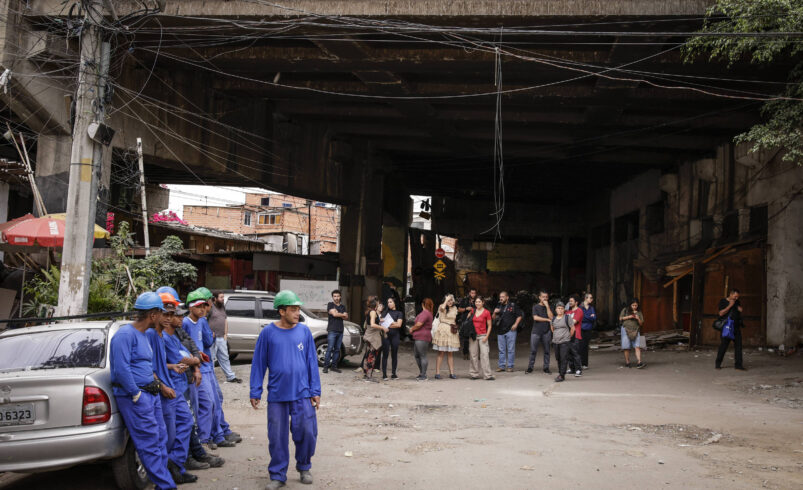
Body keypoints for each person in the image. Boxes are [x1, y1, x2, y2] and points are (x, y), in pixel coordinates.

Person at [250, 290, 321, 490]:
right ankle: (278, 475)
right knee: (277, 437)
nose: (298, 313)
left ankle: (304, 466)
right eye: (293, 309)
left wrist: (315, 390)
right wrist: (255, 391)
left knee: (307, 431)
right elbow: (258, 363)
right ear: (282, 311)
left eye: (298, 309)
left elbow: (312, 362)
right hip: (277, 394)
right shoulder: (268, 333)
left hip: (302, 392)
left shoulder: (304, 332)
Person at [110, 292, 176, 490]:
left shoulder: (144, 335)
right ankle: (167, 486)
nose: (163, 317)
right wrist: (136, 394)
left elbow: (146, 366)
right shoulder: (125, 335)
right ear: (153, 315)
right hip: (136, 397)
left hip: (150, 394)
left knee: (161, 438)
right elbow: (121, 369)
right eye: (161, 313)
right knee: (149, 443)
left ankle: (162, 483)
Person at [149, 294, 198, 484]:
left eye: (172, 314)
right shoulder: (152, 335)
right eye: (166, 314)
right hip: (165, 390)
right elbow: (148, 367)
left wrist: (173, 367)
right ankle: (167, 471)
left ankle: (175, 464)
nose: (170, 318)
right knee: (167, 435)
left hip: (172, 387)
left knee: (185, 423)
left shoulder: (164, 335)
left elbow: (163, 363)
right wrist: (162, 386)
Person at [183, 290, 235, 450]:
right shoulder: (186, 323)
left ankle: (216, 434)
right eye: (199, 306)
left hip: (205, 366)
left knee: (215, 401)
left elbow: (206, 341)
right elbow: (188, 346)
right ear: (191, 307)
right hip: (196, 369)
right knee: (206, 403)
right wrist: (195, 363)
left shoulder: (202, 321)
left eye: (204, 305)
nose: (203, 309)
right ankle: (205, 438)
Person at [208, 291, 241, 383]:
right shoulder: (210, 308)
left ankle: (230, 377)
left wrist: (225, 334)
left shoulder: (222, 307)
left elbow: (225, 319)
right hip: (212, 339)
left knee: (225, 358)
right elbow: (204, 321)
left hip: (221, 337)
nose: (223, 299)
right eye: (221, 297)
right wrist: (209, 333)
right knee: (211, 359)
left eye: (223, 297)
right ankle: (210, 378)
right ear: (215, 298)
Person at [715, 288, 746, 371]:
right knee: (723, 346)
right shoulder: (723, 301)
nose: (736, 298)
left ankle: (738, 365)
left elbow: (738, 310)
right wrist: (730, 305)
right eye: (735, 296)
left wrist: (740, 309)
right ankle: (718, 364)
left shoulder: (737, 302)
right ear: (731, 294)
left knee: (738, 346)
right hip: (727, 327)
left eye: (737, 297)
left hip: (736, 327)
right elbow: (721, 313)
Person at [492, 291, 523, 372]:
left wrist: (515, 324)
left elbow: (519, 316)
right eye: (500, 297)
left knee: (510, 350)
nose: (501, 298)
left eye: (503, 297)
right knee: (501, 350)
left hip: (510, 330)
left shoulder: (512, 305)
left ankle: (510, 366)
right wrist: (494, 312)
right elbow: (493, 318)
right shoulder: (498, 305)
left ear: (507, 297)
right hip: (500, 331)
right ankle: (501, 366)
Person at [432, 294, 460, 379]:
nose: (450, 302)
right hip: (443, 330)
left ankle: (452, 373)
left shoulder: (455, 308)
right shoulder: (442, 306)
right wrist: (446, 300)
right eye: (448, 300)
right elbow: (442, 309)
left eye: (451, 300)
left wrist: (455, 329)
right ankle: (437, 373)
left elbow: (454, 319)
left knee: (450, 353)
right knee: (441, 352)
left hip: (452, 330)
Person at [527, 290, 553, 374]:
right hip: (536, 332)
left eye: (546, 297)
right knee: (533, 350)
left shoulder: (550, 307)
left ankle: (546, 367)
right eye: (543, 297)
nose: (545, 298)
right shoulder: (535, 307)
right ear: (539, 297)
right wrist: (547, 320)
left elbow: (551, 317)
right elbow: (535, 318)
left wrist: (547, 307)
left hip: (547, 331)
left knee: (547, 351)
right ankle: (530, 367)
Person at [468, 297, 494, 380]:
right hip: (473, 335)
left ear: (483, 302)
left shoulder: (487, 312)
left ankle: (487, 375)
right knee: (473, 355)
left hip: (483, 335)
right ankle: (474, 374)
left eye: (479, 302)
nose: (477, 303)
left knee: (484, 355)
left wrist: (487, 336)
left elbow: (489, 325)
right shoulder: (473, 311)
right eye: (476, 302)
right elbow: (468, 321)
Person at [323, 290, 348, 374]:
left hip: (340, 330)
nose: (336, 298)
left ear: (340, 297)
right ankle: (325, 367)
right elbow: (334, 314)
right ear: (332, 297)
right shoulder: (330, 304)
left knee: (337, 349)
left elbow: (346, 317)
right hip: (332, 330)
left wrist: (338, 313)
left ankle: (334, 367)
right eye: (335, 296)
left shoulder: (343, 306)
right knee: (330, 348)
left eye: (338, 296)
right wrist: (341, 314)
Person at [361, 299, 386, 380]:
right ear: (375, 305)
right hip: (372, 337)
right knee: (372, 356)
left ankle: (366, 375)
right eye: (378, 304)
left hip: (369, 336)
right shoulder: (373, 312)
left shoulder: (370, 311)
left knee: (368, 355)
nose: (379, 305)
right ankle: (369, 376)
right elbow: (372, 324)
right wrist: (382, 327)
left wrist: (380, 320)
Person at [410, 298, 434, 380]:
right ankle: (422, 373)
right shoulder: (428, 313)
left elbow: (419, 324)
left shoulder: (425, 313)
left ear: (422, 304)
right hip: (420, 336)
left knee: (422, 355)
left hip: (422, 336)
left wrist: (412, 329)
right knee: (417, 355)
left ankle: (423, 375)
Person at [380, 297, 404, 380]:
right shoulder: (385, 312)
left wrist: (388, 323)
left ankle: (394, 374)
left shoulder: (399, 313)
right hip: (386, 335)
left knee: (394, 354)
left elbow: (399, 325)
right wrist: (394, 323)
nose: (389, 303)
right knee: (385, 354)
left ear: (395, 303)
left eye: (390, 302)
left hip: (395, 336)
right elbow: (381, 323)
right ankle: (384, 374)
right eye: (388, 302)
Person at [551, 302, 575, 382]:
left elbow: (572, 329)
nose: (560, 310)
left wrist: (568, 337)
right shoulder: (553, 319)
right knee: (558, 358)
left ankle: (562, 375)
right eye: (558, 308)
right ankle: (560, 373)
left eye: (562, 308)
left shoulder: (567, 318)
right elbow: (552, 328)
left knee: (563, 358)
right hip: (556, 342)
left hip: (565, 341)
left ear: (564, 310)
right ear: (556, 309)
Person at [619, 299, 645, 369]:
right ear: (630, 305)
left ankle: (639, 362)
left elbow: (641, 323)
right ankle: (627, 362)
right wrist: (629, 316)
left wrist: (638, 318)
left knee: (637, 346)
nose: (634, 307)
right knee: (626, 347)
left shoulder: (639, 312)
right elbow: (620, 318)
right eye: (633, 305)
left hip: (636, 330)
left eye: (636, 305)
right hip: (625, 329)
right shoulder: (625, 310)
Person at [566, 296, 584, 377]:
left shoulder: (579, 311)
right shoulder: (568, 312)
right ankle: (572, 369)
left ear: (576, 302)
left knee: (575, 353)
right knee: (569, 353)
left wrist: (564, 322)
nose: (570, 302)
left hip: (576, 335)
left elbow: (573, 322)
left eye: (571, 301)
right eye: (569, 301)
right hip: (567, 335)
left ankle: (578, 369)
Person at [457, 288, 478, 360]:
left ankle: (474, 354)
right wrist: (466, 308)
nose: (473, 294)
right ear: (469, 293)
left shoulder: (477, 301)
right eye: (472, 293)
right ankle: (465, 353)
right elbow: (459, 310)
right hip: (466, 321)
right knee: (466, 338)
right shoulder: (464, 300)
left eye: (474, 293)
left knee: (474, 337)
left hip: (475, 321)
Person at [579, 293, 596, 369]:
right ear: (586, 298)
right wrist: (590, 317)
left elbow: (594, 318)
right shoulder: (580, 307)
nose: (592, 299)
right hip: (581, 329)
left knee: (586, 346)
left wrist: (587, 317)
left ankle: (585, 364)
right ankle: (579, 363)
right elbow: (581, 317)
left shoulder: (591, 308)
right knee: (581, 346)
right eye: (590, 298)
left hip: (588, 329)